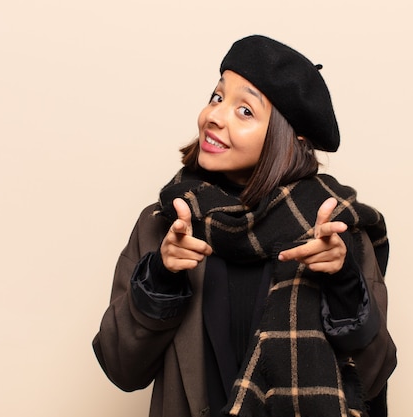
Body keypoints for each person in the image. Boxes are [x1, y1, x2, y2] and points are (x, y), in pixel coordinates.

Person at [93, 35, 396, 417]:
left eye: (245, 111)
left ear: (291, 138)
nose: (213, 117)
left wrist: (343, 284)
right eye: (217, 97)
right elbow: (121, 368)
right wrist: (161, 276)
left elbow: (371, 379)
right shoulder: (167, 223)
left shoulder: (333, 231)